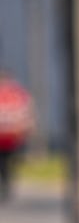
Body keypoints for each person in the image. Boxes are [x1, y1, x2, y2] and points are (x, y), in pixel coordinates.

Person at [0, 69, 35, 199]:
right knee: (7, 162)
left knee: (5, 162)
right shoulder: (18, 93)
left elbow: (26, 112)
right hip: (12, 135)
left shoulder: (17, 93)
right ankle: (7, 182)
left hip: (8, 136)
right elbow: (27, 112)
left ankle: (6, 183)